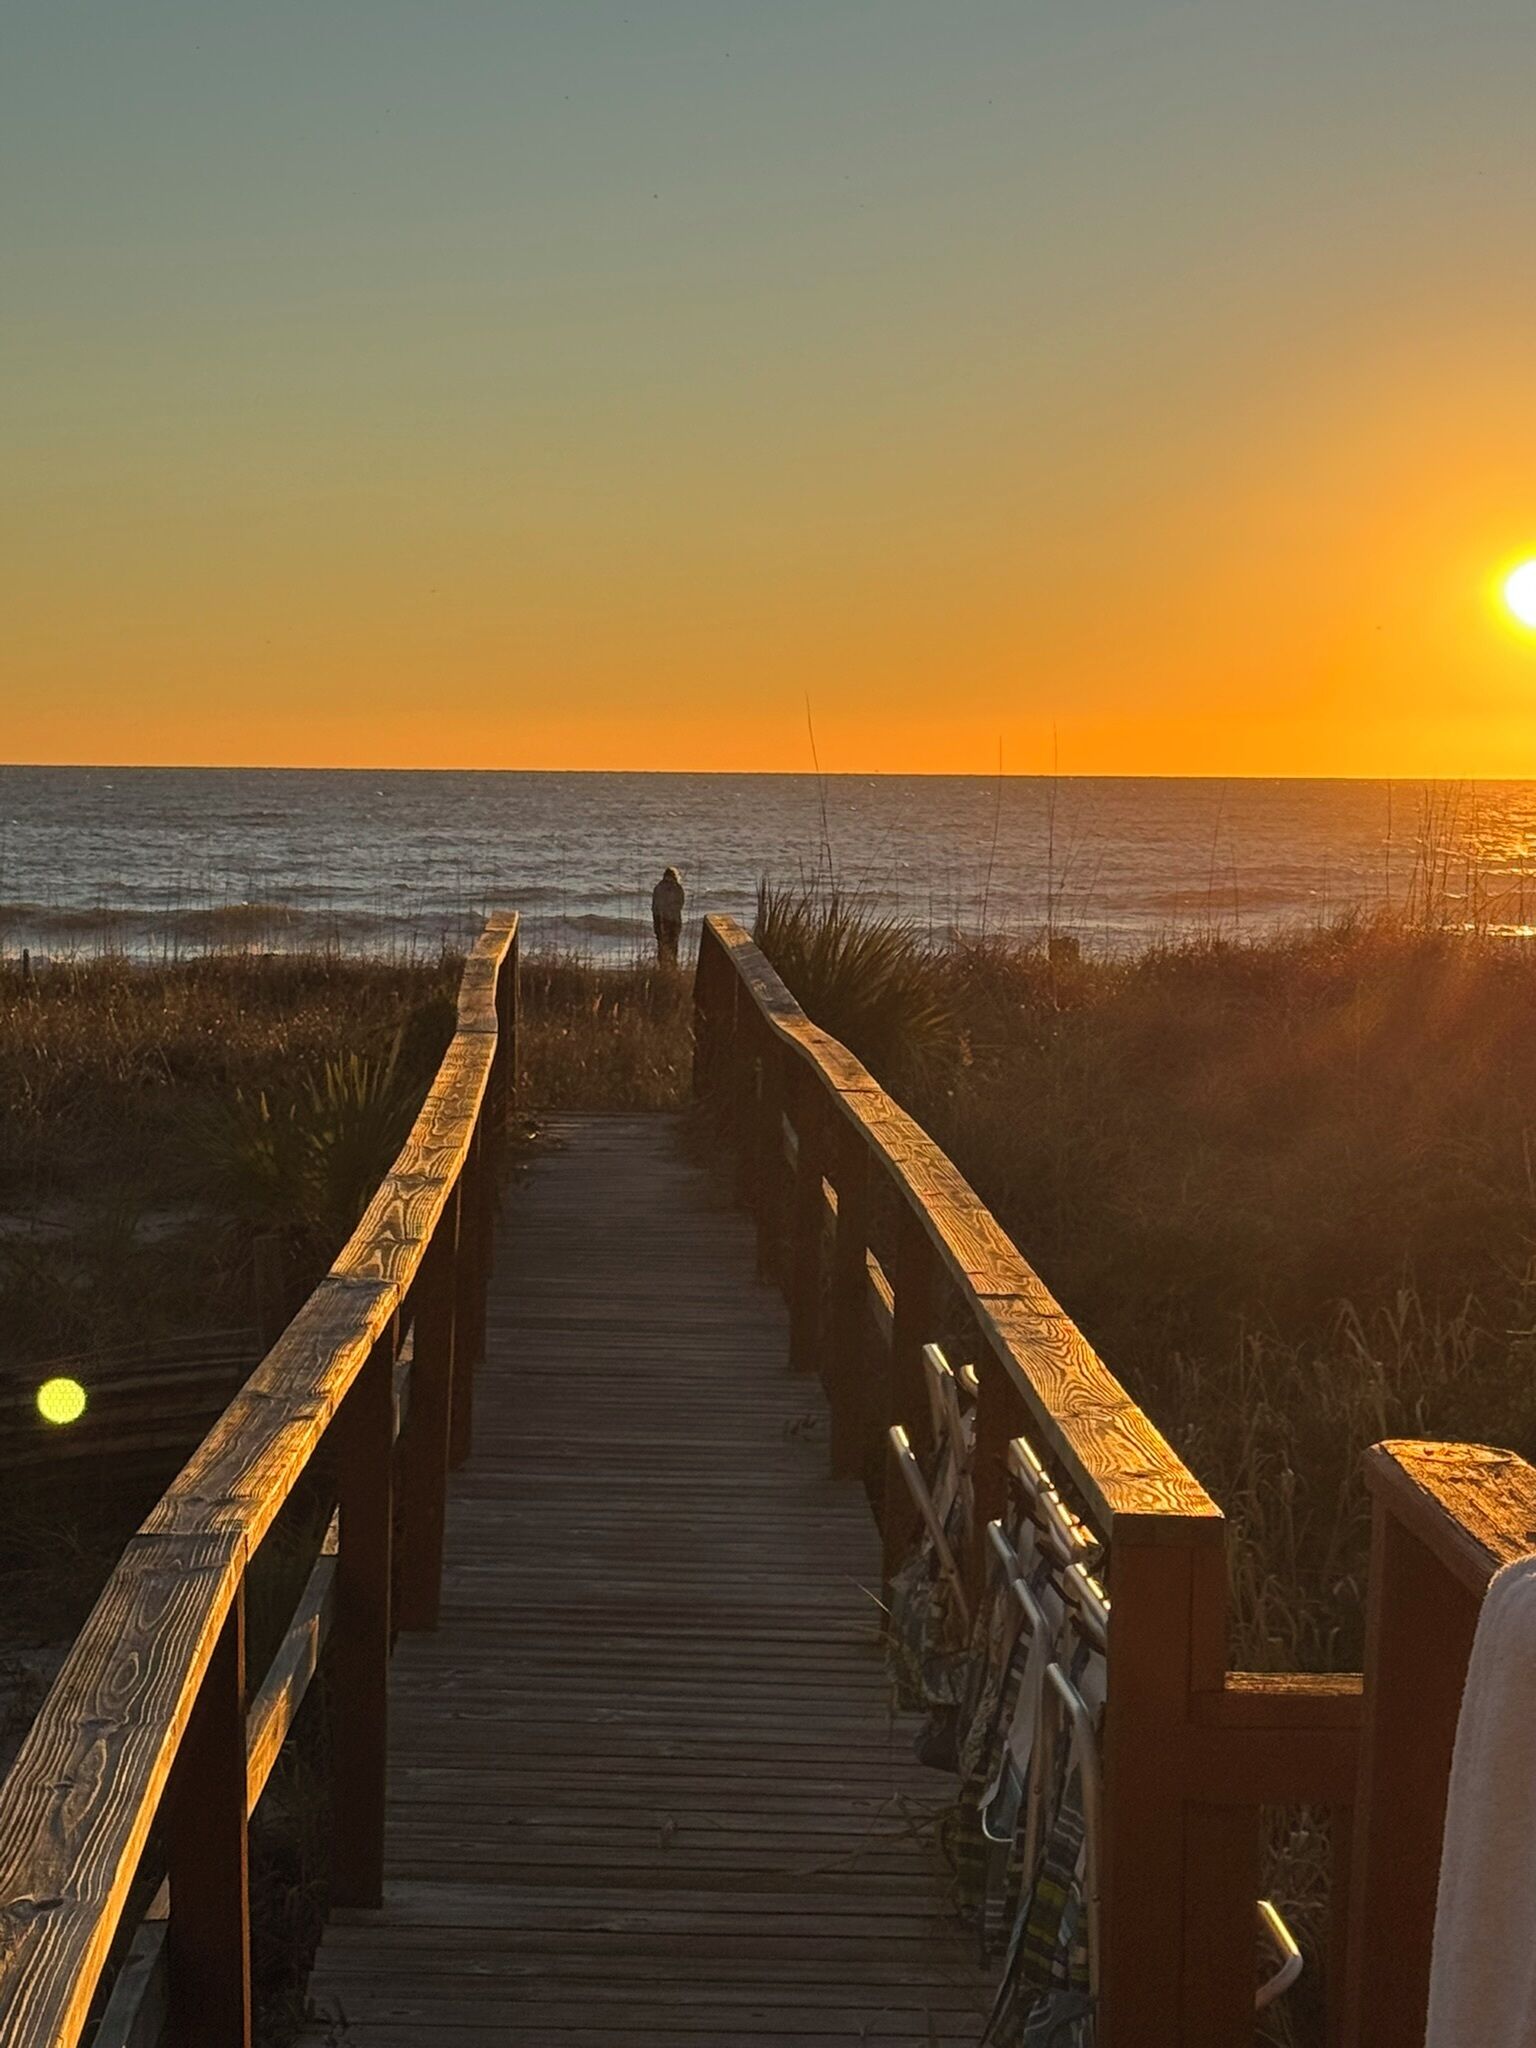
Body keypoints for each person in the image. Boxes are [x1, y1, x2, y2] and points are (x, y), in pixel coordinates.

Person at [651, 866, 685, 967]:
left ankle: (663, 967)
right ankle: (673, 966)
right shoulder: (678, 888)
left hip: (661, 919)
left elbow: (654, 907)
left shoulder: (658, 887)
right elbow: (680, 904)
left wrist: (656, 922)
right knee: (674, 944)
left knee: (662, 945)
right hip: (675, 920)